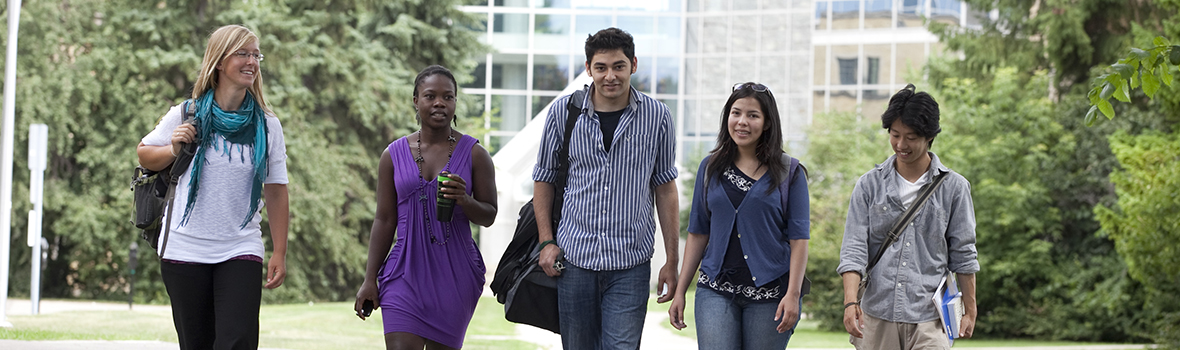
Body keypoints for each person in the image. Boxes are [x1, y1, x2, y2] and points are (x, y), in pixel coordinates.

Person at [136, 24, 288, 349]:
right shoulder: (187, 113)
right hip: (184, 247)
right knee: (197, 343)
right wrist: (174, 149)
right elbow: (145, 154)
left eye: (255, 55)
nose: (252, 62)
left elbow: (276, 189)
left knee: (238, 341)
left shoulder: (267, 125)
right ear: (219, 61)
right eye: (242, 54)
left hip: (240, 245)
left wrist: (280, 250)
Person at [532, 27, 680, 349]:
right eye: (601, 67)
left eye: (618, 66)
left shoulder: (658, 117)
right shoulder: (563, 112)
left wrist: (672, 259)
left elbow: (665, 188)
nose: (609, 76)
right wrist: (546, 241)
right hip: (575, 260)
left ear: (634, 65)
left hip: (631, 261)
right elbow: (543, 178)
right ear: (589, 69)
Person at [353, 65, 498, 350]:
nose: (440, 103)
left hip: (455, 273)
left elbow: (490, 215)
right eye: (430, 96)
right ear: (416, 101)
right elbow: (384, 220)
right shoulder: (392, 155)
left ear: (455, 103)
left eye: (448, 96)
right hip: (403, 271)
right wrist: (370, 279)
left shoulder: (475, 154)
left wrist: (465, 200)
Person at [668, 82, 811, 349]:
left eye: (753, 115)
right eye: (736, 113)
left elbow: (799, 240)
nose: (742, 122)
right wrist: (680, 291)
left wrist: (793, 294)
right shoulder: (710, 167)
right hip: (715, 289)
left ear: (767, 123)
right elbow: (698, 232)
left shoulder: (789, 173)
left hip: (771, 294)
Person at [837, 84, 978, 350]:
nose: (901, 145)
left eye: (911, 137)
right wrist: (850, 302)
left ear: (929, 136)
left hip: (931, 316)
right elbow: (853, 250)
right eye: (895, 134)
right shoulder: (869, 185)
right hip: (876, 314)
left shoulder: (955, 188)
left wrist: (969, 309)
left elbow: (964, 253)